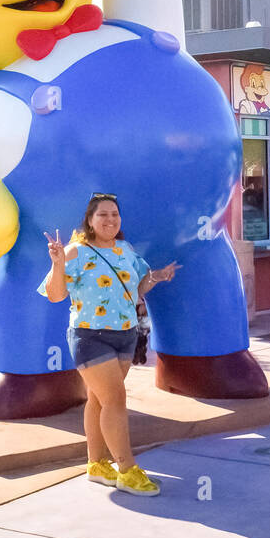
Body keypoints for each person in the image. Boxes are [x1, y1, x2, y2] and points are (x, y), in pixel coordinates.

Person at [40, 193, 179, 496]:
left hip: (125, 334)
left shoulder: (125, 249)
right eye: (102, 215)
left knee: (99, 400)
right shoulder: (75, 251)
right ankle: (127, 470)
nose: (110, 220)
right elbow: (55, 294)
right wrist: (58, 264)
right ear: (89, 220)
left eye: (114, 214)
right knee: (115, 399)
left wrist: (157, 277)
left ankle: (96, 463)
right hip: (91, 336)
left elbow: (139, 284)